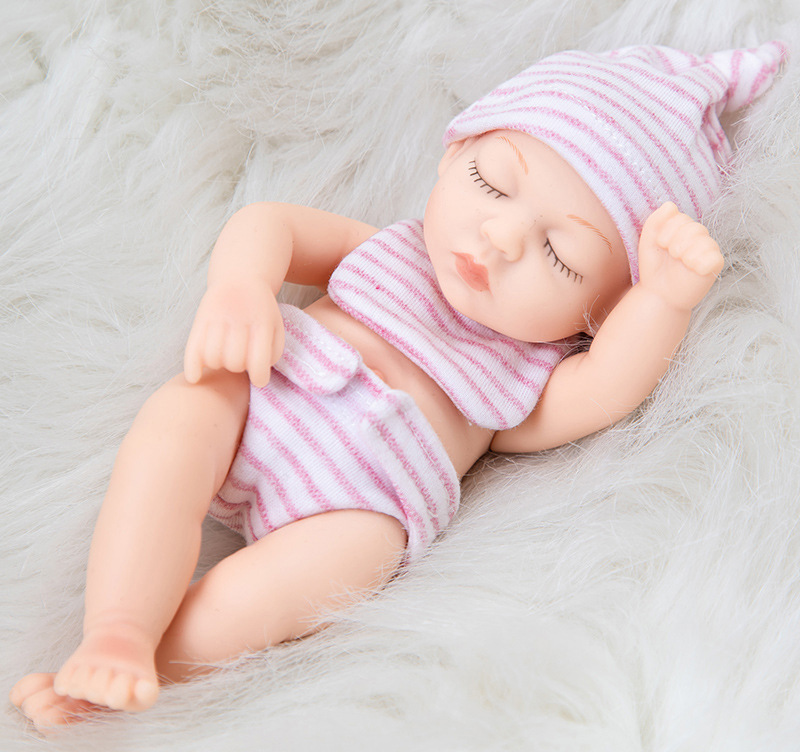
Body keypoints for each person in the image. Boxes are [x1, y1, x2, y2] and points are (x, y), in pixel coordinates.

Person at [10, 41, 786, 729]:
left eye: (560, 256)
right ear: (453, 155)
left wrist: (664, 300)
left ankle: (140, 671)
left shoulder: (528, 376)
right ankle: (117, 627)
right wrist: (241, 289)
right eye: (491, 181)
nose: (501, 236)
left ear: (600, 312)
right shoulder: (389, 249)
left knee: (332, 570)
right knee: (180, 418)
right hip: (262, 393)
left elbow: (611, 386)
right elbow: (271, 223)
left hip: (354, 506)